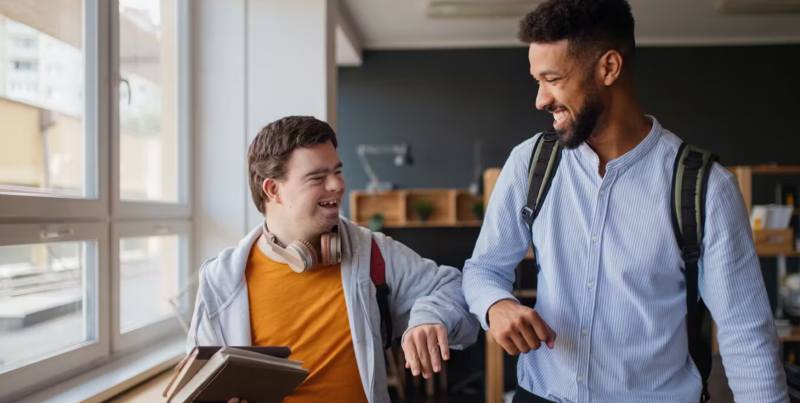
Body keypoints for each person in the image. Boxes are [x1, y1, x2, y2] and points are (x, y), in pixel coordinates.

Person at [462, 0, 789, 402]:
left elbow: (746, 335)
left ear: (609, 67)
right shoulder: (529, 163)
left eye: (553, 79)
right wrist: (496, 306)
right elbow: (482, 269)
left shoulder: (708, 188)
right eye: (537, 81)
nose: (540, 99)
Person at [186, 116, 478, 403]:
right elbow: (200, 386)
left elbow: (455, 289)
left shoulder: (372, 252)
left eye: (337, 171)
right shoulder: (221, 281)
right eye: (317, 177)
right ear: (273, 189)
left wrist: (430, 315)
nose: (337, 185)